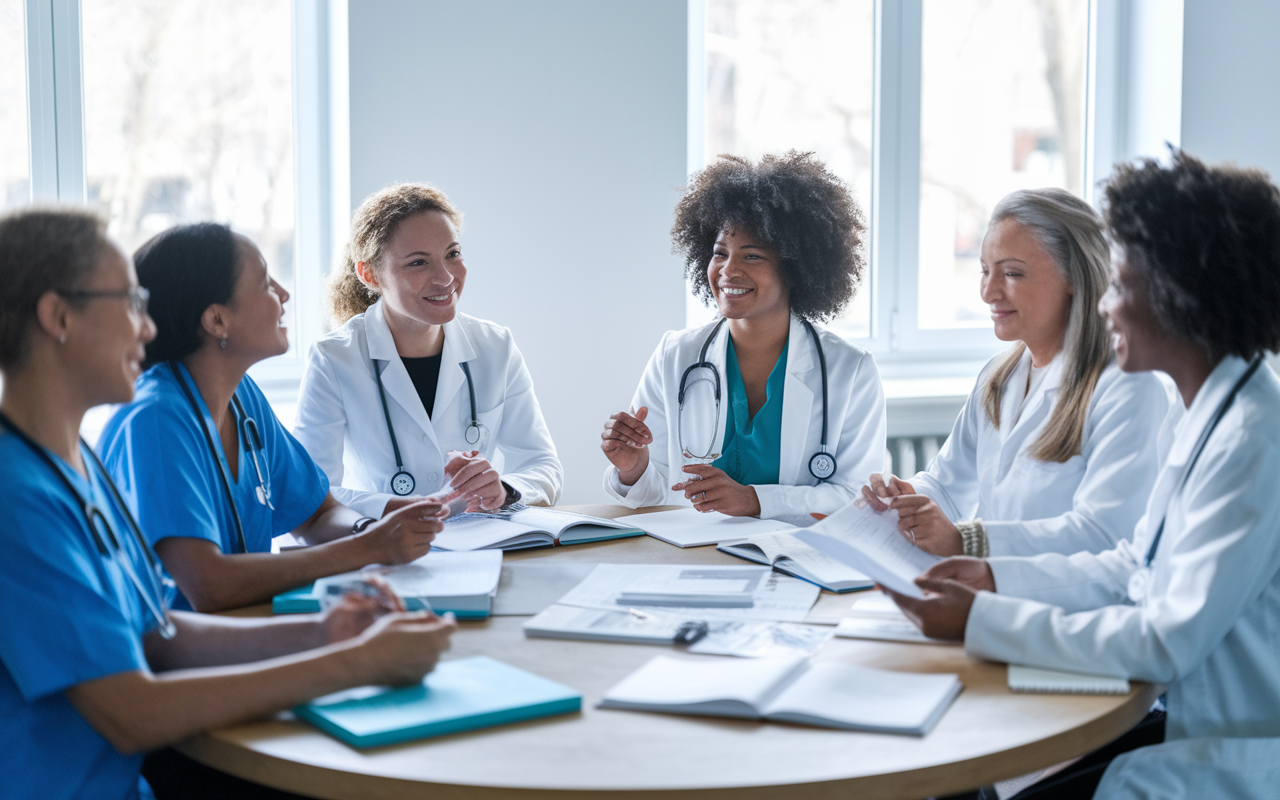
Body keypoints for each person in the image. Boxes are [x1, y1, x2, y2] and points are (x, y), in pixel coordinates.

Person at [0, 207, 456, 799]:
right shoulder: (17, 499)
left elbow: (157, 635)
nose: (147, 328)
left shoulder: (74, 467)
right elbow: (132, 711)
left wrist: (329, 633)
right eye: (129, 303)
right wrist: (356, 664)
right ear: (58, 316)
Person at [886, 151, 1280, 799]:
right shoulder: (1210, 409)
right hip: (1170, 706)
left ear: (1183, 296)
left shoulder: (1251, 438)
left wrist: (983, 618)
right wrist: (994, 576)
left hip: (1212, 734)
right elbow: (1134, 566)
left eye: (1121, 287)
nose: (1107, 308)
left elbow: (1165, 638)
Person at [99, 223, 445, 613]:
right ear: (216, 321)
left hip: (244, 628)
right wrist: (368, 547)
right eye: (265, 284)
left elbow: (318, 515)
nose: (284, 294)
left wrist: (372, 529)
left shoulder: (242, 398)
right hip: (176, 660)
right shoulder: (155, 419)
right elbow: (208, 585)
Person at [861, 189, 1172, 558]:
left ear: (1075, 276)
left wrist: (969, 541)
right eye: (985, 271)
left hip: (1068, 608)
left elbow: (1106, 536)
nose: (988, 292)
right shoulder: (997, 378)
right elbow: (947, 487)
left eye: (1011, 273)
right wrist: (904, 497)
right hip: (992, 595)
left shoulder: (1127, 388)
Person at [601, 152, 885, 519]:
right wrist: (632, 466)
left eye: (752, 257)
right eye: (720, 253)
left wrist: (754, 500)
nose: (727, 270)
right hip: (694, 558)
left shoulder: (850, 371)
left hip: (793, 560)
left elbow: (856, 496)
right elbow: (656, 494)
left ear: (795, 268)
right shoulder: (676, 354)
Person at [294, 182, 562, 520]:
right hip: (384, 551)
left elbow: (543, 465)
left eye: (452, 254)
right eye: (418, 263)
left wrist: (505, 489)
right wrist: (396, 509)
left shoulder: (495, 347)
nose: (446, 277)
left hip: (481, 547)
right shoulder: (334, 359)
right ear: (370, 274)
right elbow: (309, 492)